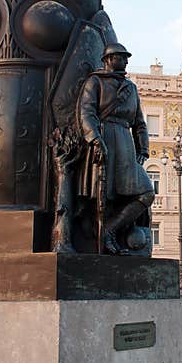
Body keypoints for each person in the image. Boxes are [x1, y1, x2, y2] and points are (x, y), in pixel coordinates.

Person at [76, 43, 154, 255]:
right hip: (105, 140)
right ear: (108, 60)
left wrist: (143, 148)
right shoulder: (95, 82)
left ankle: (109, 229)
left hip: (125, 143)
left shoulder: (131, 88)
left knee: (146, 193)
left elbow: (139, 122)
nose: (126, 61)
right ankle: (100, 236)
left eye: (126, 58)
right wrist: (95, 138)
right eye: (121, 57)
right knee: (106, 196)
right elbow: (87, 112)